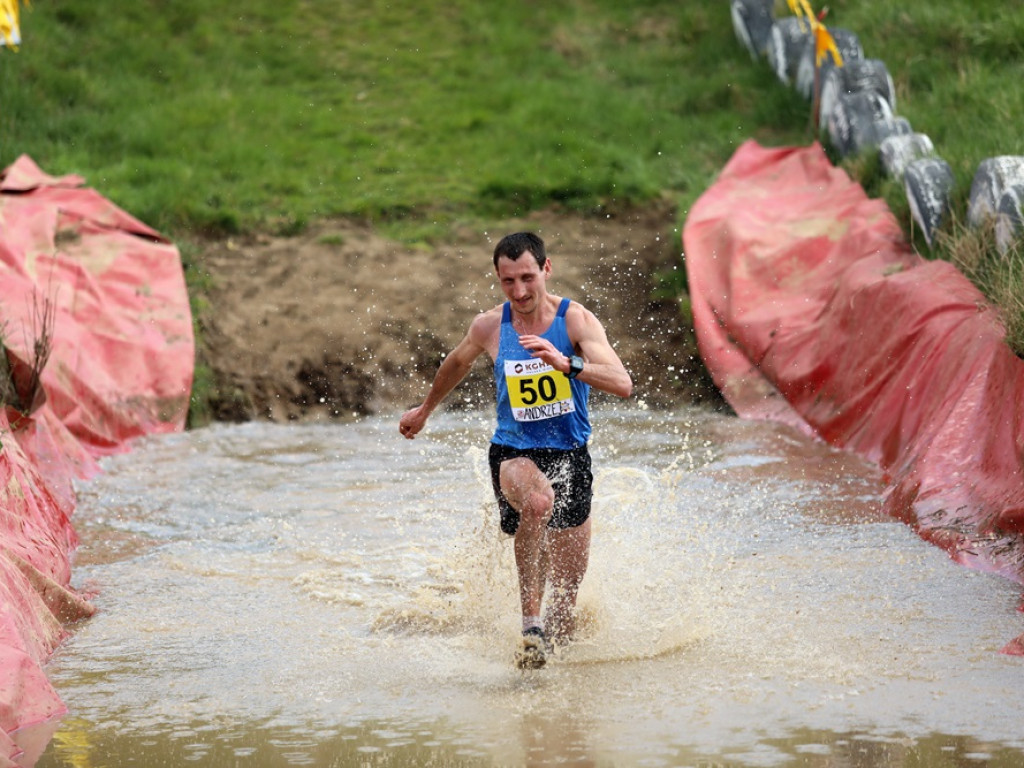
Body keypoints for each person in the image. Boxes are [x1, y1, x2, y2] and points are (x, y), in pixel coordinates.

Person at [399, 231, 632, 669]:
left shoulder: (576, 321)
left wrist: (566, 364)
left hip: (571, 453)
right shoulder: (490, 326)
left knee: (567, 595)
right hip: (513, 451)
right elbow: (457, 362)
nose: (520, 291)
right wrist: (426, 409)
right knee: (538, 501)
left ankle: (549, 679)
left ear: (546, 268)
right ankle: (529, 625)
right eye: (508, 281)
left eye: (527, 277)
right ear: (498, 278)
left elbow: (622, 383)